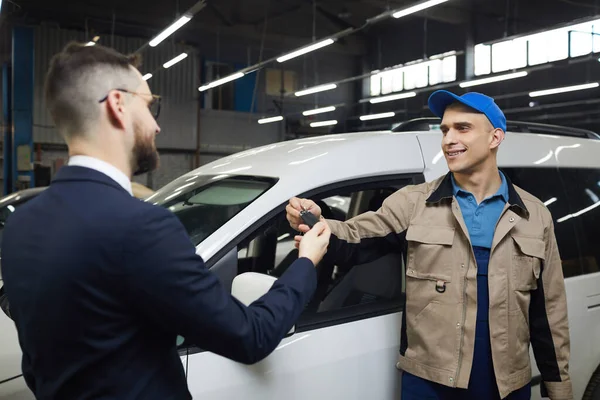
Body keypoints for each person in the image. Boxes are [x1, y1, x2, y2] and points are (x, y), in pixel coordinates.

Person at [0, 42, 331, 399]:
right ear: (117, 105)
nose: (156, 126)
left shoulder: (20, 227)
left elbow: (35, 369)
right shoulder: (142, 226)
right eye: (149, 104)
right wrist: (305, 262)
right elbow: (251, 337)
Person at [287, 91, 572, 400]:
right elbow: (354, 240)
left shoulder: (534, 215)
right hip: (429, 383)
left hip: (505, 386)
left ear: (495, 137)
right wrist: (316, 222)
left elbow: (549, 312)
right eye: (444, 129)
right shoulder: (413, 203)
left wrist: (559, 389)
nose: (448, 138)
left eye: (462, 128)